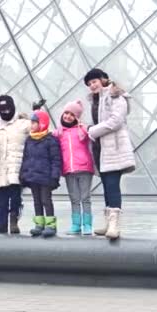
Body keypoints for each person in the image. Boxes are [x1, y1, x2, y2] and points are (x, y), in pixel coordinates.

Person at [84, 68, 136, 240]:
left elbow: (115, 121)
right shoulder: (95, 100)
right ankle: (108, 223)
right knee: (107, 186)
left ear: (103, 79)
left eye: (94, 81)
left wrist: (92, 130)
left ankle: (114, 225)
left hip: (114, 148)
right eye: (89, 83)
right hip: (101, 149)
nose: (92, 85)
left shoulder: (115, 96)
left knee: (112, 185)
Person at [0, 95, 31, 234]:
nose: (5, 111)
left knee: (15, 197)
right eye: (2, 108)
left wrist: (35, 115)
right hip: (2, 167)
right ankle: (1, 223)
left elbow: (40, 132)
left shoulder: (24, 123)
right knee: (1, 198)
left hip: (18, 167)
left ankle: (13, 221)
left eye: (7, 108)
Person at [53, 100, 95, 235]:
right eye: (66, 113)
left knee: (85, 198)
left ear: (76, 117)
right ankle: (76, 225)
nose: (68, 116)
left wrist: (85, 128)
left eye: (72, 114)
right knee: (74, 199)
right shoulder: (59, 133)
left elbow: (94, 136)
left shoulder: (82, 130)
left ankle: (87, 225)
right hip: (69, 170)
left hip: (84, 169)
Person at [19, 110, 62, 238]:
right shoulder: (29, 139)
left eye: (34, 122)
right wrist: (23, 174)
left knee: (46, 200)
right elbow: (25, 158)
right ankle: (39, 224)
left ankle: (51, 225)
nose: (31, 125)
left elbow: (56, 159)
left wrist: (55, 176)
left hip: (46, 177)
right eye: (31, 122)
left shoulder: (51, 140)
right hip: (33, 177)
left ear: (42, 123)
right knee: (37, 201)